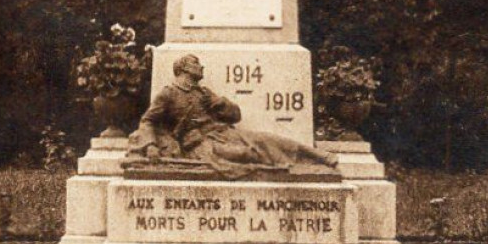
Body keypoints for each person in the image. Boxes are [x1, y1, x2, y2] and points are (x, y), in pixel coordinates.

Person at [130, 54, 339, 174]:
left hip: (224, 133)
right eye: (196, 63)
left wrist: (218, 103)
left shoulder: (203, 92)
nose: (201, 67)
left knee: (267, 139)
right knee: (248, 155)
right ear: (184, 68)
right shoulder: (169, 93)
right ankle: (296, 166)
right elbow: (148, 120)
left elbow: (235, 116)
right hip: (203, 145)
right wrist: (150, 146)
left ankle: (318, 157)